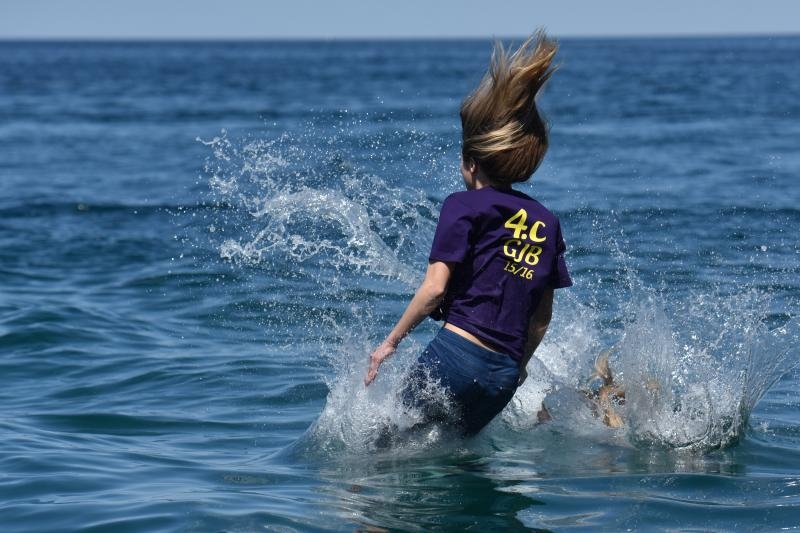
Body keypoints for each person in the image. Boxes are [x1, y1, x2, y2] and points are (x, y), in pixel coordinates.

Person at [364, 31, 572, 437]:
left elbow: (434, 290)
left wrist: (389, 343)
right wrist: (520, 367)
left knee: (384, 446)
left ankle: (359, 503)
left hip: (456, 356)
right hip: (504, 375)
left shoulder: (463, 205)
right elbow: (541, 318)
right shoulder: (547, 221)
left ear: (472, 163)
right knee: (454, 457)